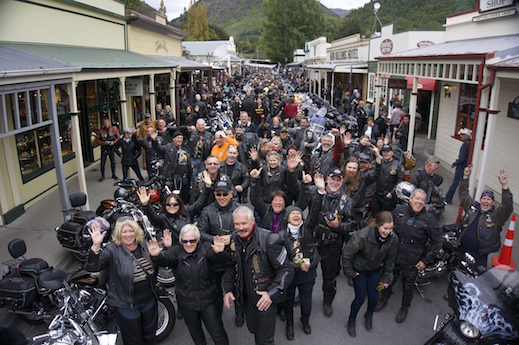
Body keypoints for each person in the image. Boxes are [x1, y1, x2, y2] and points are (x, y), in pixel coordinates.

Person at [223, 206, 295, 345]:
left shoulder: (270, 240)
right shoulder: (234, 239)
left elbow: (287, 269)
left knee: (265, 340)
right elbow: (231, 266)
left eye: (244, 223)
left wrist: (271, 293)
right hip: (245, 299)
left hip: (264, 299)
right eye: (237, 224)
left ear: (253, 222)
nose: (240, 227)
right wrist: (228, 289)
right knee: (254, 330)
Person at [148, 225, 230, 345]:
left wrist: (219, 253)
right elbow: (165, 260)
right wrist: (156, 256)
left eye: (192, 241)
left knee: (217, 333)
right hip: (187, 302)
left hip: (208, 301)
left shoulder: (206, 248)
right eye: (185, 241)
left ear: (197, 240)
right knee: (196, 333)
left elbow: (222, 261)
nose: (188, 244)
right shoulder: (176, 251)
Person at [86, 218, 158, 345]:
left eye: (131, 231)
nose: (128, 234)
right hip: (126, 305)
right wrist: (96, 246)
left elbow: (156, 264)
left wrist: (159, 254)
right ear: (119, 233)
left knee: (149, 337)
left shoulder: (144, 245)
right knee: (133, 341)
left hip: (149, 301)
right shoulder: (112, 250)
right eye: (124, 232)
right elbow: (93, 268)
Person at [375, 189, 442, 323]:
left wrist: (425, 261)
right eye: (417, 198)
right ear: (410, 199)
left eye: (423, 200)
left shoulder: (430, 219)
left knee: (408, 286)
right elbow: (387, 229)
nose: (419, 202)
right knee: (388, 280)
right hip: (394, 256)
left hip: (412, 261)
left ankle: (404, 308)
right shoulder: (399, 211)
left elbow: (437, 242)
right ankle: (384, 299)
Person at [282, 173, 325, 340]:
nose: (296, 215)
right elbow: (281, 261)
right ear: (287, 218)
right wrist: (297, 266)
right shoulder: (281, 236)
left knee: (306, 305)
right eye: (292, 214)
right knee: (288, 303)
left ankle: (305, 320)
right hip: (290, 276)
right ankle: (290, 324)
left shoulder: (307, 227)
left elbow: (316, 209)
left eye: (298, 214)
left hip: (307, 275)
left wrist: (321, 191)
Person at [342, 211, 398, 337]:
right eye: (385, 228)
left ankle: (369, 314)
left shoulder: (393, 239)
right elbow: (347, 254)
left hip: (375, 270)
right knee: (360, 298)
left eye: (390, 228)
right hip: (360, 270)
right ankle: (351, 320)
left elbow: (390, 259)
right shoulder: (363, 236)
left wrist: (387, 278)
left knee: (373, 298)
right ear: (378, 225)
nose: (388, 232)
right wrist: (350, 272)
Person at [458, 164, 513, 267]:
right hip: (462, 250)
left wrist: (504, 186)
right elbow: (463, 194)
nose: (485, 201)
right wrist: (465, 177)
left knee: (476, 280)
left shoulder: (497, 216)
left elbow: (507, 206)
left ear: (493, 203)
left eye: (489, 199)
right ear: (480, 200)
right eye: (484, 198)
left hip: (479, 256)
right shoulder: (473, 207)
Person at [372, 144, 405, 215]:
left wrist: (392, 193)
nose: (386, 153)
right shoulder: (378, 162)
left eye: (388, 151)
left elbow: (400, 181)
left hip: (389, 196)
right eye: (384, 152)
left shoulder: (398, 165)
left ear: (392, 153)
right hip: (376, 195)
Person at [445, 128, 471, 204]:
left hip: (461, 167)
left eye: (463, 135)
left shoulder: (465, 145)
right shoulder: (470, 144)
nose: (461, 136)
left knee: (455, 182)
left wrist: (455, 163)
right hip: (466, 166)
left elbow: (462, 158)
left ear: (467, 136)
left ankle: (448, 198)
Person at [96, 117, 120, 182]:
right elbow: (97, 140)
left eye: (107, 122)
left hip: (111, 148)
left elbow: (118, 137)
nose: (106, 124)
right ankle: (102, 175)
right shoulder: (100, 131)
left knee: (113, 162)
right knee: (103, 163)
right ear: (103, 124)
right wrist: (103, 143)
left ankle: (114, 174)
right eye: (105, 123)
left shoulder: (113, 129)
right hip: (104, 148)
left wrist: (113, 142)